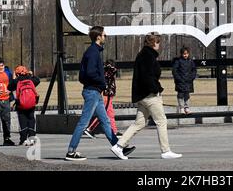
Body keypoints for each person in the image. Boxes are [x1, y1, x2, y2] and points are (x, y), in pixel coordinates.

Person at [65, 26, 135, 161]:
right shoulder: (93, 53)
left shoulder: (93, 52)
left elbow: (82, 75)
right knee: (83, 123)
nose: (105, 37)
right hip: (92, 92)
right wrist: (102, 82)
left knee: (105, 122)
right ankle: (71, 151)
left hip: (94, 92)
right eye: (104, 35)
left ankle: (118, 147)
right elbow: (90, 73)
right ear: (98, 37)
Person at [112, 33, 182, 159]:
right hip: (150, 95)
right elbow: (148, 77)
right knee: (161, 121)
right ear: (153, 43)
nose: (159, 45)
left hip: (143, 95)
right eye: (158, 42)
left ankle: (119, 146)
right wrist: (156, 90)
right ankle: (165, 151)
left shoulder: (143, 55)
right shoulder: (148, 56)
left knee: (139, 123)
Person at [84, 59, 120, 138]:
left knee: (110, 114)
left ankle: (114, 131)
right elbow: (110, 71)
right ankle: (90, 128)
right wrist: (108, 66)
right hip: (106, 94)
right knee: (103, 113)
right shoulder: (106, 71)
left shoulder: (107, 72)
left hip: (109, 94)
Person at [7, 65, 40, 146]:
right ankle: (32, 138)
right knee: (31, 119)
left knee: (23, 121)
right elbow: (38, 80)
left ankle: (23, 139)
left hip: (21, 104)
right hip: (31, 104)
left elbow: (9, 87)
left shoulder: (17, 81)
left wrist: (14, 78)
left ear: (17, 73)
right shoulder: (30, 79)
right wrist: (31, 75)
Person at [172, 47, 197, 114]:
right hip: (180, 82)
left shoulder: (191, 61)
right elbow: (175, 71)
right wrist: (178, 79)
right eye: (184, 54)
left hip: (188, 81)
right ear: (181, 54)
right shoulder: (178, 61)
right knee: (180, 95)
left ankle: (187, 107)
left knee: (187, 95)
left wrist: (192, 77)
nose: (185, 55)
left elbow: (194, 70)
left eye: (187, 54)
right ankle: (181, 107)